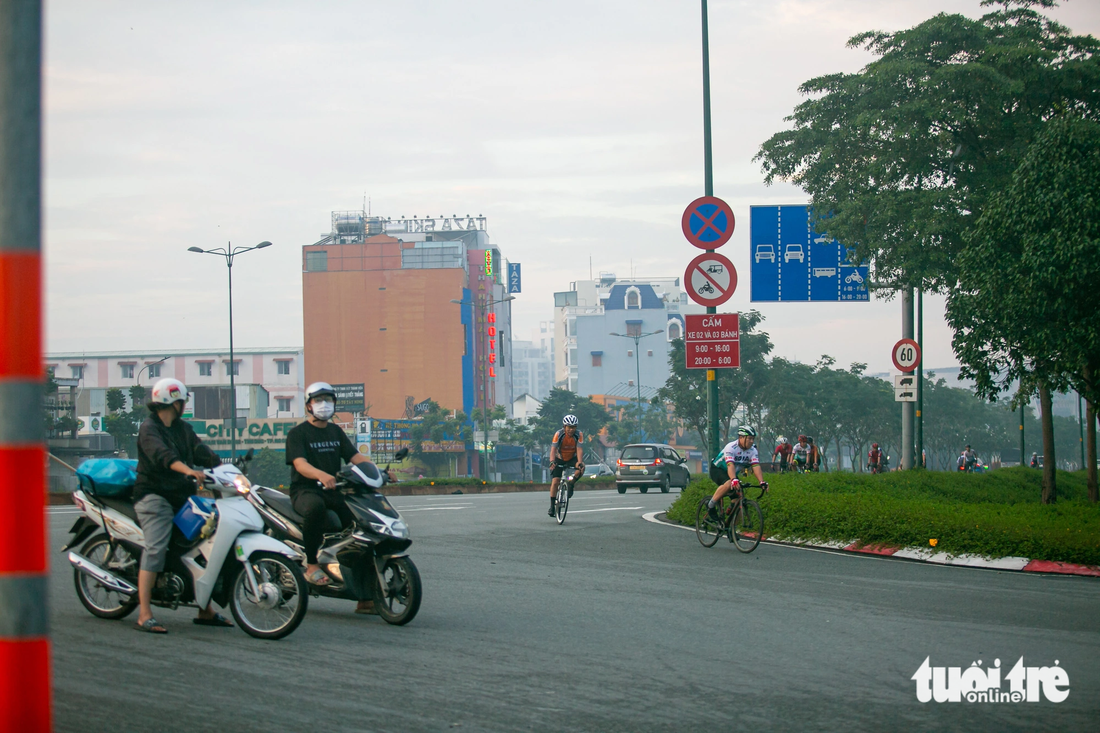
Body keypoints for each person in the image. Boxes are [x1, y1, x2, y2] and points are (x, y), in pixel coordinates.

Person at [132, 378, 229, 634]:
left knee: (203, 543)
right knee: (156, 548)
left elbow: (199, 450)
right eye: (182, 401)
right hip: (154, 497)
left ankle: (204, 609)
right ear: (173, 402)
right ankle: (144, 613)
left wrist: (223, 466)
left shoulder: (182, 428)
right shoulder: (149, 429)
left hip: (182, 497)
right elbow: (163, 456)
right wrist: (187, 470)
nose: (184, 405)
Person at [285, 381, 389, 613]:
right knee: (315, 510)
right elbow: (300, 464)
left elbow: (355, 457)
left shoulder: (335, 431)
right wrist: (321, 474)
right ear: (309, 405)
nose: (324, 405)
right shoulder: (297, 433)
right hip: (306, 491)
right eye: (318, 400)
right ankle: (311, 565)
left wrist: (379, 471)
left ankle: (365, 597)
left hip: (334, 490)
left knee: (362, 528)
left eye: (329, 400)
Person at [706, 426, 768, 520]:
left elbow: (756, 466)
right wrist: (734, 479)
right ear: (741, 437)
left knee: (738, 501)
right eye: (749, 438)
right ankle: (710, 505)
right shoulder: (731, 447)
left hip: (732, 472)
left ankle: (731, 529)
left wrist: (761, 481)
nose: (751, 441)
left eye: (753, 439)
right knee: (728, 483)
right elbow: (730, 465)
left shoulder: (753, 450)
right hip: (718, 468)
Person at [548, 415, 585, 516]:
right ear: (564, 427)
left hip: (572, 458)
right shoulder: (558, 434)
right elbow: (553, 449)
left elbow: (579, 449)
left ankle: (571, 484)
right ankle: (552, 506)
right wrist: (552, 461)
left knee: (581, 468)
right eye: (569, 427)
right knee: (555, 481)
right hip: (559, 458)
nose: (571, 430)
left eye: (573, 427)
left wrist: (579, 462)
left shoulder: (579, 434)